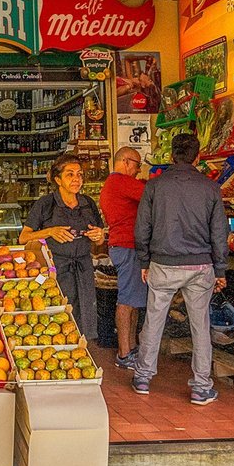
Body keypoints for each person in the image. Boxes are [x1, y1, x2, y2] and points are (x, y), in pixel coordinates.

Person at [133, 132, 228, 405]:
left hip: (163, 263)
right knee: (200, 326)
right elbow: (219, 232)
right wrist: (220, 270)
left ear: (171, 156)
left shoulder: (155, 186)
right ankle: (200, 387)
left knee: (154, 320)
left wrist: (143, 260)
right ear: (198, 157)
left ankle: (143, 377)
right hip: (200, 265)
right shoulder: (210, 188)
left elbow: (143, 228)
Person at [20, 153, 105, 340]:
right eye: (70, 174)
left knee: (84, 312)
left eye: (79, 174)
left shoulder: (88, 203)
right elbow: (23, 237)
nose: (76, 179)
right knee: (57, 315)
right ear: (58, 179)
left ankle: (82, 351)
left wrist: (99, 236)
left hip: (83, 268)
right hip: (56, 269)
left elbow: (99, 240)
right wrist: (50, 231)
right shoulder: (46, 204)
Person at [99, 147, 148, 369]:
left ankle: (132, 347)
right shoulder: (120, 181)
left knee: (134, 299)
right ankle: (124, 352)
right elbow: (150, 195)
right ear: (126, 162)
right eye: (137, 165)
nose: (138, 171)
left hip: (126, 246)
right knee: (127, 300)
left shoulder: (113, 184)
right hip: (127, 246)